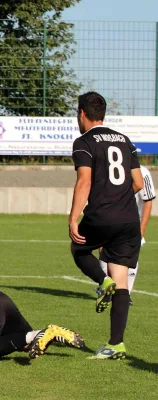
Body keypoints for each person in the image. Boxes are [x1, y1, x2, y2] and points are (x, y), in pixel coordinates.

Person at [69, 91, 144, 360]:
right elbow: (138, 183)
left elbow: (84, 182)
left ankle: (103, 282)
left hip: (102, 216)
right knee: (122, 280)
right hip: (128, 220)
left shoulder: (84, 142)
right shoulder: (124, 140)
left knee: (78, 249)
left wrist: (73, 217)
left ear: (82, 114)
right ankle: (116, 344)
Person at [100, 165, 155, 301]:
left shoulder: (143, 172)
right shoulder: (106, 170)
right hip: (110, 220)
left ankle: (125, 295)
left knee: (128, 259)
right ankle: (105, 291)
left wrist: (142, 229)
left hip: (132, 224)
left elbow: (148, 201)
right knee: (104, 256)